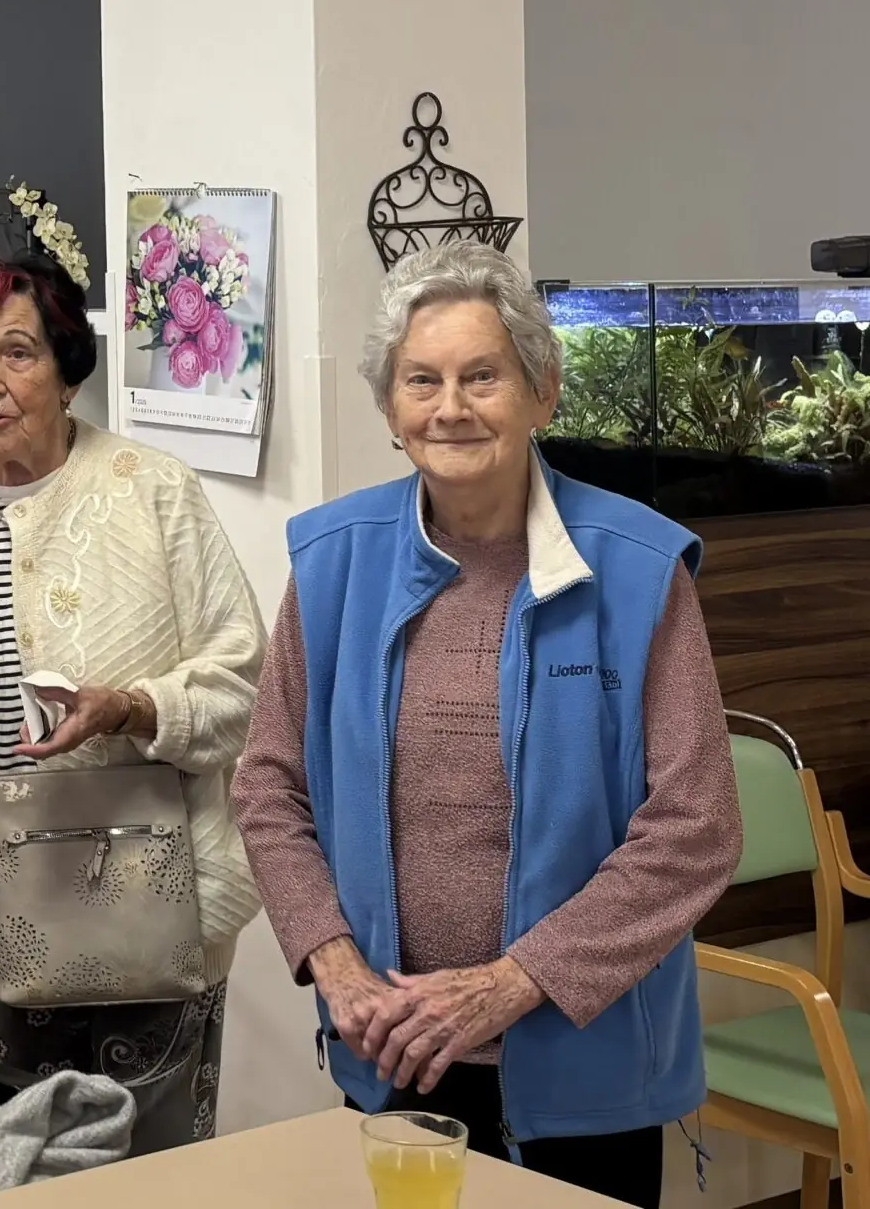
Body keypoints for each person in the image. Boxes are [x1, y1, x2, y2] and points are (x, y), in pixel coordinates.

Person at [231, 241, 740, 1209]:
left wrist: (512, 983)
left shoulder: (636, 568)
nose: (450, 407)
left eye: (482, 376)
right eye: (421, 380)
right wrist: (335, 966)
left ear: (543, 392)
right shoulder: (333, 562)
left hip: (588, 1073)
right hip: (394, 1052)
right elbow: (268, 785)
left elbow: (697, 826)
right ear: (390, 409)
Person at [0, 249, 263, 1153]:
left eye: (17, 352)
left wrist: (132, 707)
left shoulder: (154, 491)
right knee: (30, 1161)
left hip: (153, 916)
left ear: (68, 371)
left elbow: (244, 680)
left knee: (152, 1172)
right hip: (1, 921)